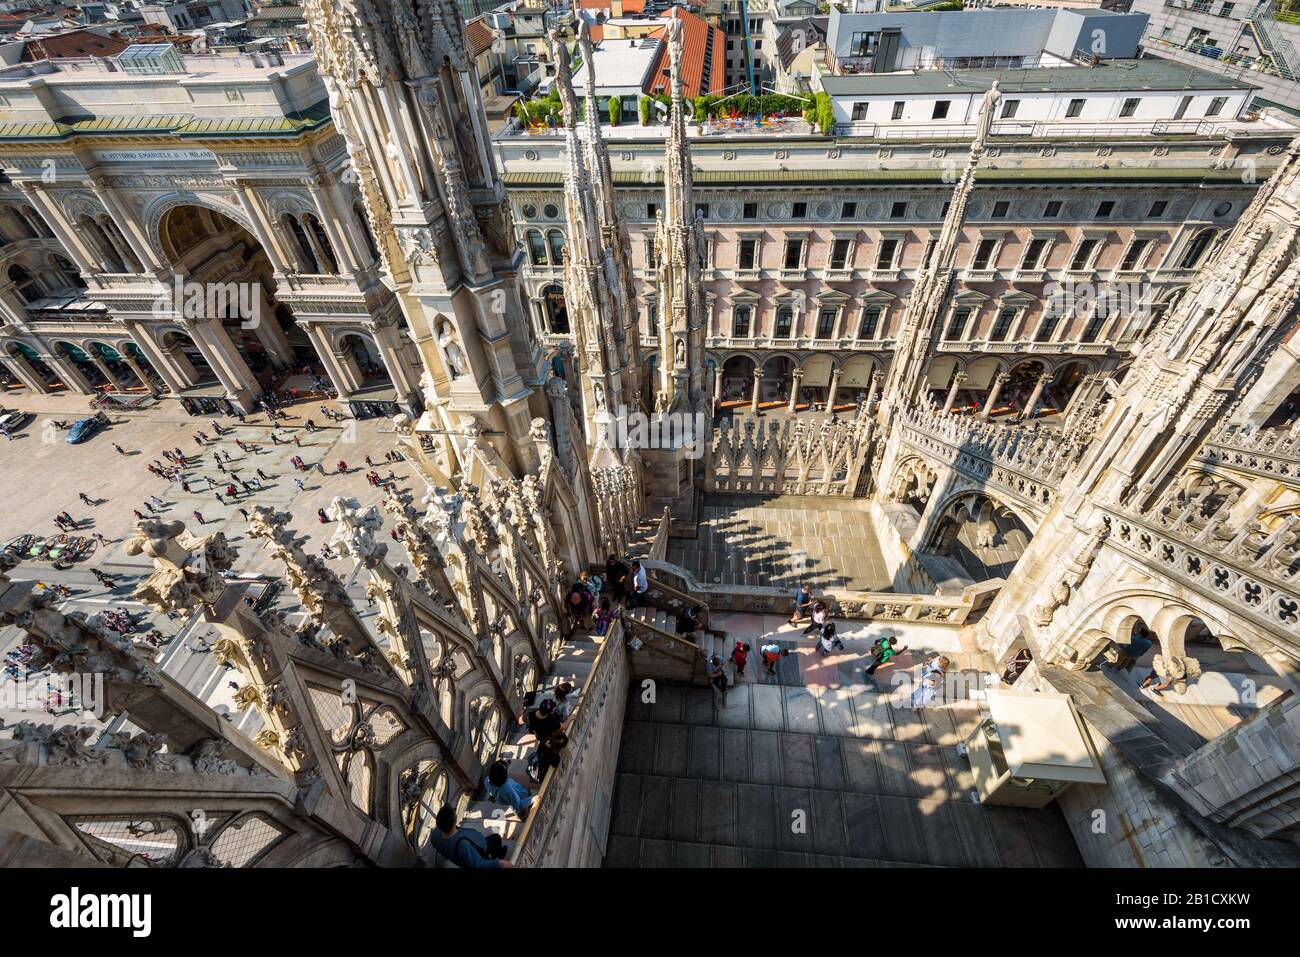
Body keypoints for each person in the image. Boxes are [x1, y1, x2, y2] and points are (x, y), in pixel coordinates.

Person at [428, 805, 511, 868]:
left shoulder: (435, 835)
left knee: (496, 838)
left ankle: (497, 856)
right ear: (454, 821)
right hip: (480, 851)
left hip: (471, 850)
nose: (455, 814)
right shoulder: (463, 845)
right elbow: (478, 864)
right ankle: (497, 858)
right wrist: (500, 862)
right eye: (454, 814)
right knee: (496, 839)